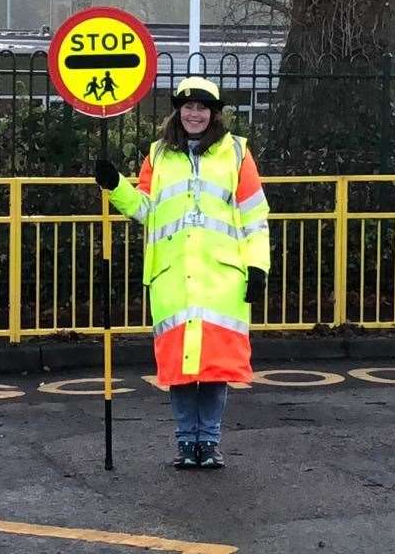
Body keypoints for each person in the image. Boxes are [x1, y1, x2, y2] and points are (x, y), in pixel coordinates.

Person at [94, 76, 270, 469]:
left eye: (202, 108)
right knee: (178, 369)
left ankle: (208, 442)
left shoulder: (237, 153)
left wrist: (258, 265)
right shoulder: (157, 155)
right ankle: (184, 444)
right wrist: (115, 186)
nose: (194, 114)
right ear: (178, 111)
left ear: (215, 113)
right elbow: (144, 209)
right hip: (172, 278)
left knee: (214, 368)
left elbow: (255, 215)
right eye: (188, 107)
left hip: (221, 278)